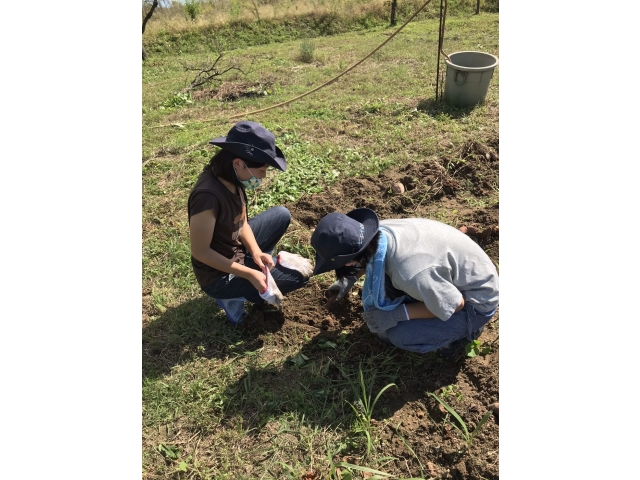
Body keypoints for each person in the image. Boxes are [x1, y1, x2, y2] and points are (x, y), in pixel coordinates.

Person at [310, 208, 499, 355]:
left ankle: (462, 335)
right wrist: (348, 279)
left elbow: (455, 304)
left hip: (477, 301)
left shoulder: (409, 272)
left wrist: (396, 315)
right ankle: (427, 302)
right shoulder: (378, 234)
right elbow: (366, 256)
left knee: (397, 334)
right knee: (393, 294)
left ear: (351, 261)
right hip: (454, 272)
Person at [188, 121, 313, 324]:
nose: (263, 176)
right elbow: (200, 252)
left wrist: (256, 251)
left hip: (234, 248)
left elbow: (241, 221)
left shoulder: (231, 177)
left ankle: (255, 269)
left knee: (281, 214)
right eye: (261, 170)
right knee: (298, 278)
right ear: (237, 163)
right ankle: (229, 296)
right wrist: (250, 274)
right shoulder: (207, 197)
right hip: (218, 275)